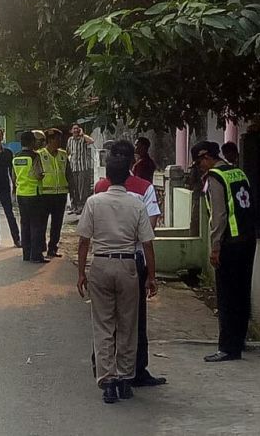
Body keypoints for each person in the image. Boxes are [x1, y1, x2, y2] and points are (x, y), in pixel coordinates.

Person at [76, 155, 156, 404]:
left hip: (100, 263)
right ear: (128, 175)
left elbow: (83, 242)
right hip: (128, 265)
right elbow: (147, 244)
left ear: (107, 176)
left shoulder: (94, 202)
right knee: (127, 325)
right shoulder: (136, 204)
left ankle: (107, 381)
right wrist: (151, 276)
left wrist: (81, 273)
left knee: (103, 325)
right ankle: (124, 379)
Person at [95, 140, 165, 388]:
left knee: (105, 318)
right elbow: (152, 223)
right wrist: (152, 275)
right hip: (134, 259)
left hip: (103, 259)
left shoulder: (100, 187)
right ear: (131, 161)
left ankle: (103, 368)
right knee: (134, 320)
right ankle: (134, 371)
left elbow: (93, 228)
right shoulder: (144, 187)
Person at [191, 141, 257, 362]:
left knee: (227, 296)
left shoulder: (215, 177)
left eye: (199, 162)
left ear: (206, 158)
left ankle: (228, 347)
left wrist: (215, 247)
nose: (200, 167)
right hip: (248, 239)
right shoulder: (238, 172)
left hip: (230, 242)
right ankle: (240, 340)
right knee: (242, 292)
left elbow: (218, 216)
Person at [13, 131, 47, 263]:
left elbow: (14, 176)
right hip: (34, 194)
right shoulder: (35, 156)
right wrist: (43, 175)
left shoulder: (16, 157)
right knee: (36, 226)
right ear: (32, 142)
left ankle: (26, 254)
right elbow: (38, 174)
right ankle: (36, 255)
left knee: (25, 224)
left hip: (21, 194)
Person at [38, 128, 71, 258]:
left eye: (60, 139)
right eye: (57, 139)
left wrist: (72, 189)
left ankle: (53, 248)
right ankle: (41, 246)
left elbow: (68, 173)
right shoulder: (40, 154)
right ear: (49, 140)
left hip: (61, 193)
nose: (59, 142)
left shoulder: (63, 154)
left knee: (57, 223)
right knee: (42, 222)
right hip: (45, 194)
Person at [66, 123, 95, 214]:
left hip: (83, 167)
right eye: (74, 129)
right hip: (73, 167)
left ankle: (82, 206)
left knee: (82, 188)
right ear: (71, 131)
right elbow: (68, 151)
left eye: (77, 129)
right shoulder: (70, 140)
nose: (75, 130)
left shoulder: (83, 138)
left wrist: (82, 134)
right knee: (74, 188)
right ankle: (74, 206)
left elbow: (91, 141)